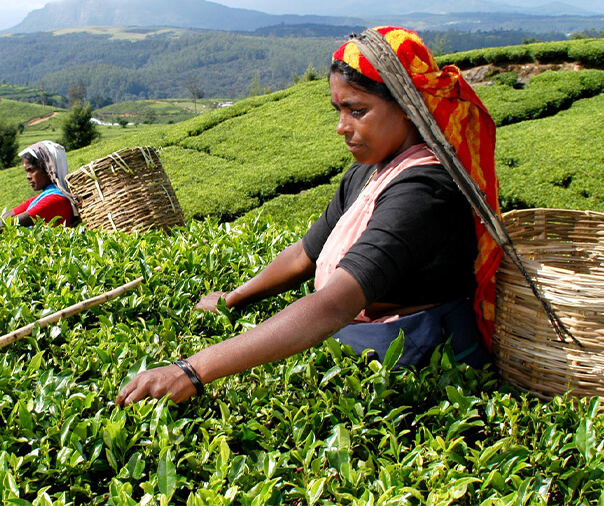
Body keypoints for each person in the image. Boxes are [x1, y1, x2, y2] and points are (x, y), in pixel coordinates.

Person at [116, 26, 502, 406]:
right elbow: (305, 254)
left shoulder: (423, 188)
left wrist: (192, 369)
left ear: (407, 106)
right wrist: (233, 299)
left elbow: (335, 303)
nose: (341, 127)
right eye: (339, 110)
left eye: (357, 111)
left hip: (416, 353)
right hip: (369, 338)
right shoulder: (369, 170)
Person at [0, 140, 78, 228]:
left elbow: (9, 224)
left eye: (31, 170)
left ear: (47, 169)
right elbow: (3, 217)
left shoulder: (55, 200)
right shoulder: (42, 197)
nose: (28, 177)